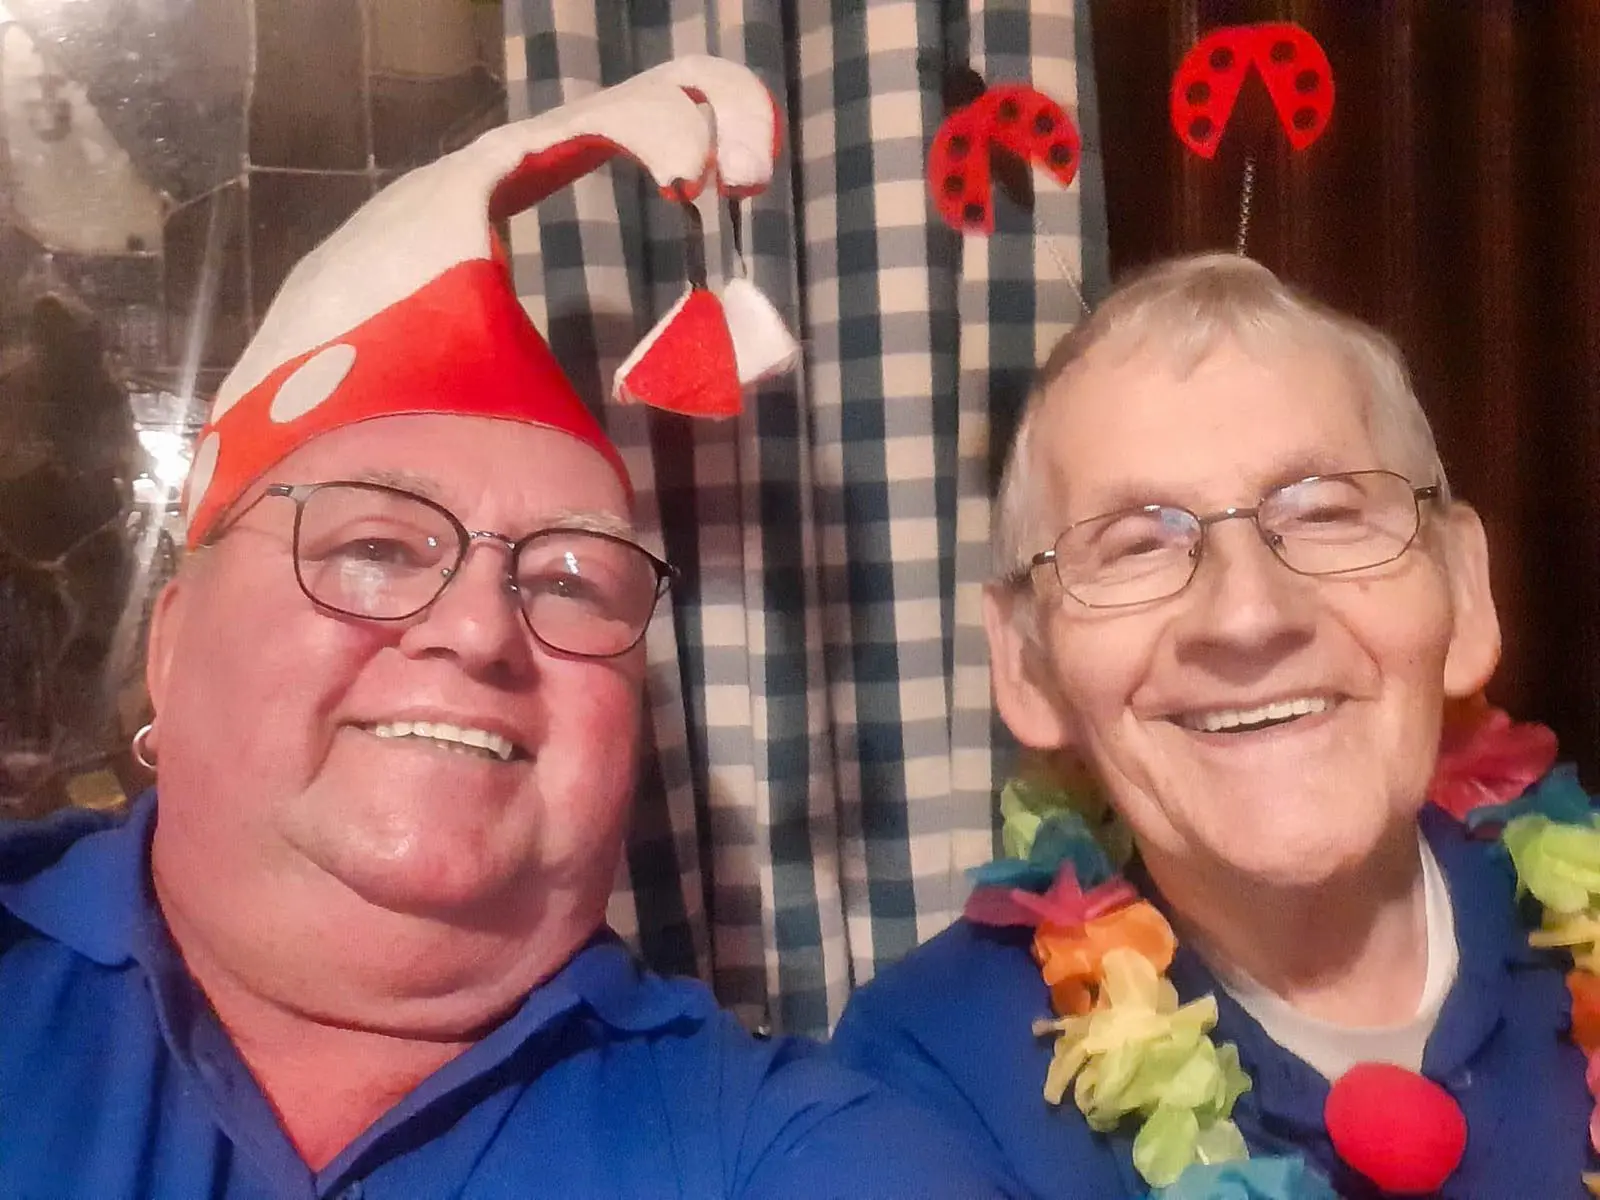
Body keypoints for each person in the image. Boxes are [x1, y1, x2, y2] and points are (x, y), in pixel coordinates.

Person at [0, 58, 1012, 1199]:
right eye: (377, 548)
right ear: (171, 648)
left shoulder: (785, 1147)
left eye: (571, 582)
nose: (481, 629)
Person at [832, 253, 1594, 1196]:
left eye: (1326, 512)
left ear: (1465, 594)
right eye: (1135, 546)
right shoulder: (927, 1085)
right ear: (1026, 665)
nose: (1247, 616)